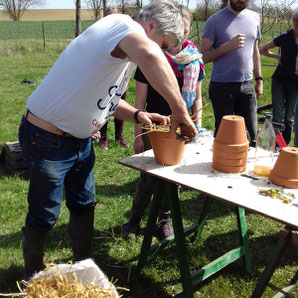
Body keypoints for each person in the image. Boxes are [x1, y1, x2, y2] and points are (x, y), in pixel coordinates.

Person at [18, 0, 198, 279]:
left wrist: (139, 114)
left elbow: (108, 101)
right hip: (46, 137)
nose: (162, 52)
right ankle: (31, 274)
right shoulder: (120, 25)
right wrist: (180, 111)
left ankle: (84, 267)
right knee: (45, 213)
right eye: (164, 44)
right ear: (150, 26)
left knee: (85, 205)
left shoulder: (123, 53)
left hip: (78, 142)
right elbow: (151, 55)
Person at [123, 5, 205, 240]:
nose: (181, 38)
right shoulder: (149, 57)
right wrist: (139, 134)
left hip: (180, 128)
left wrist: (196, 125)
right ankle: (134, 220)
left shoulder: (193, 61)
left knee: (173, 178)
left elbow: (197, 98)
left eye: (186, 32)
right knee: (147, 178)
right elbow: (140, 100)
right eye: (179, 31)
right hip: (153, 126)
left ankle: (164, 221)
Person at [200, 0, 263, 147]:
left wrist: (259, 79)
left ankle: (247, 169)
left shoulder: (254, 18)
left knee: (251, 135)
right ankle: (221, 166)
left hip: (247, 86)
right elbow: (203, 56)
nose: (241, 0)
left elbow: (255, 51)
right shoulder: (214, 20)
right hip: (222, 87)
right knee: (224, 136)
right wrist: (227, 47)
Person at [259, 8, 298, 146]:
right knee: (277, 116)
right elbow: (262, 49)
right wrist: (277, 56)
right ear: (293, 23)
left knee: (289, 117)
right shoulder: (285, 37)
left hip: (295, 83)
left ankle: (284, 146)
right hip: (280, 80)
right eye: (297, 22)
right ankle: (274, 146)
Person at [99, 6, 129, 150]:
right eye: (108, 16)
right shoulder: (100, 34)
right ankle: (103, 136)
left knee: (119, 104)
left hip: (121, 78)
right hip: (105, 77)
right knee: (104, 106)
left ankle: (119, 136)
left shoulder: (124, 34)